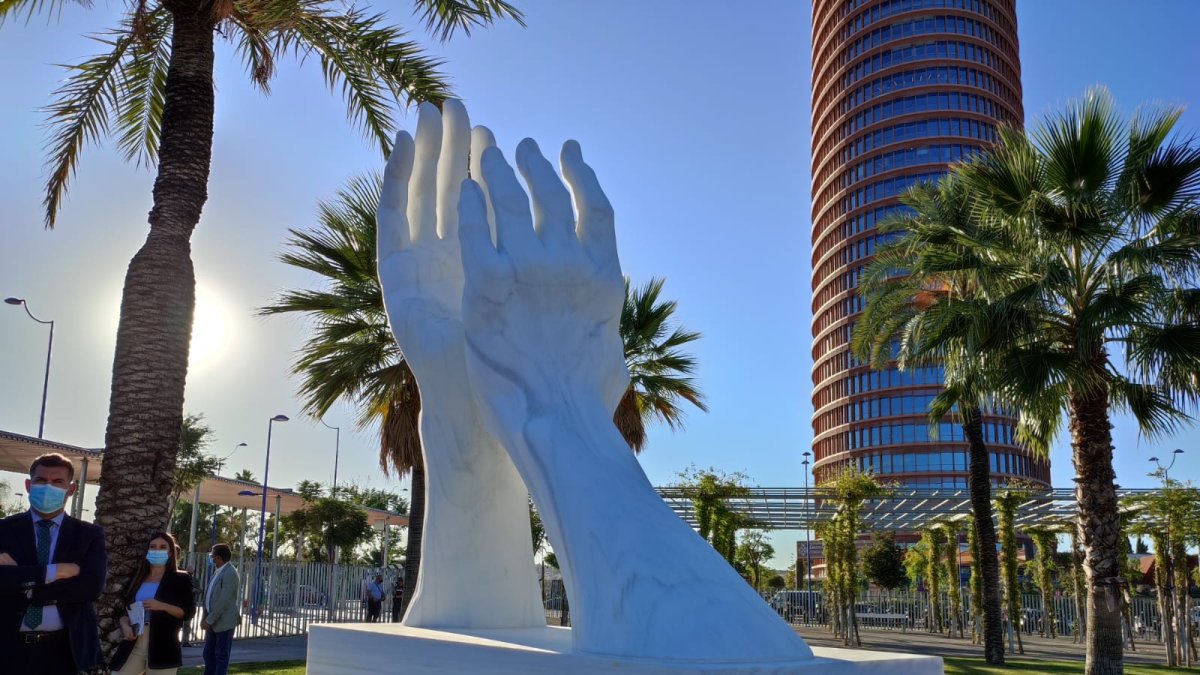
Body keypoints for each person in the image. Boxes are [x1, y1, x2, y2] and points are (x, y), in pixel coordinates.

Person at [0, 452, 107, 675]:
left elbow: (91, 587)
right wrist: (53, 572)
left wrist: (24, 583)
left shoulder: (89, 535)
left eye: (58, 481)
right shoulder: (4, 530)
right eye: (41, 480)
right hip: (7, 647)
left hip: (64, 650)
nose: (48, 487)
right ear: (28, 485)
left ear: (71, 489)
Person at [110, 531, 196, 674]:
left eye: (163, 547)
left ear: (170, 553)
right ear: (147, 551)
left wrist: (161, 606)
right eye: (153, 546)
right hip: (135, 643)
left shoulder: (181, 579)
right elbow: (126, 609)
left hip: (163, 647)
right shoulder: (139, 577)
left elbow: (188, 612)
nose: (157, 550)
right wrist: (124, 625)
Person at [201, 544, 240, 675]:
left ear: (218, 558)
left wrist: (209, 620)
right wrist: (205, 618)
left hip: (223, 623)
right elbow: (210, 596)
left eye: (212, 556)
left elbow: (223, 601)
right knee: (208, 654)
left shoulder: (230, 573)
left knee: (220, 656)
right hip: (213, 621)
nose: (211, 558)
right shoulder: (219, 571)